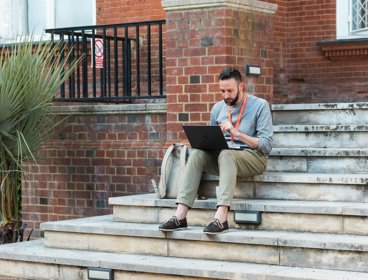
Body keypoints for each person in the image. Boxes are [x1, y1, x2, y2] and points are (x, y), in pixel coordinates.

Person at [159, 67, 273, 234]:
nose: (226, 95)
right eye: (222, 91)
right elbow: (211, 140)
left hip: (253, 157)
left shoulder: (260, 106)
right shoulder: (218, 108)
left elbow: (266, 145)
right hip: (223, 157)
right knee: (197, 152)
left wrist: (237, 133)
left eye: (230, 90)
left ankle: (221, 218)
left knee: (227, 154)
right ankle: (180, 215)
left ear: (241, 86)